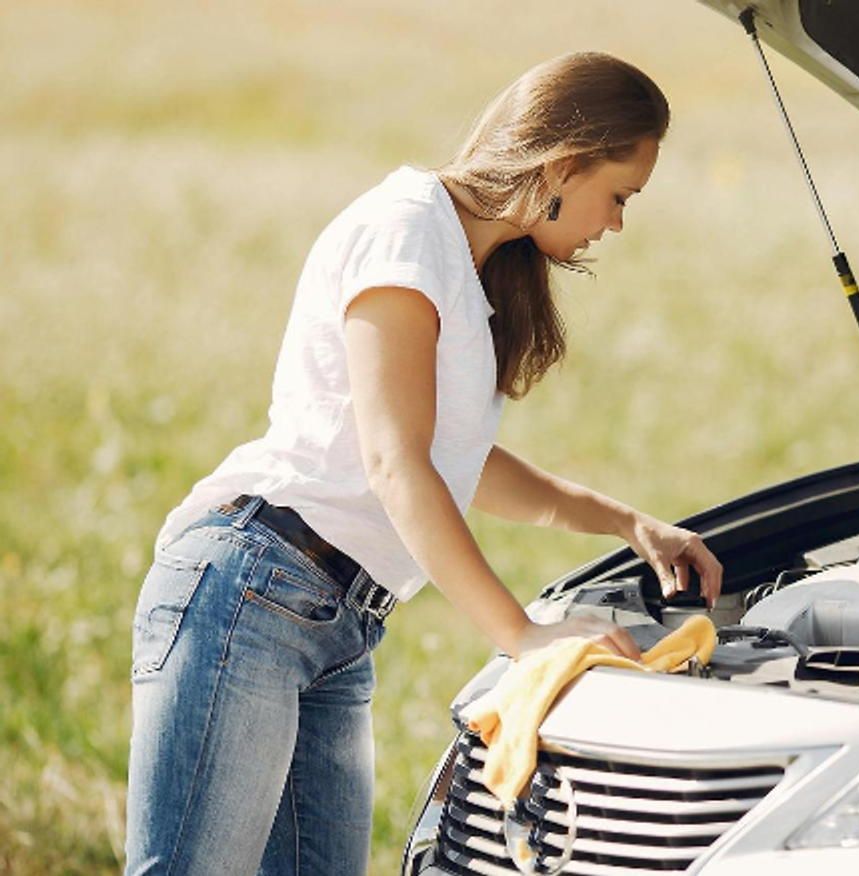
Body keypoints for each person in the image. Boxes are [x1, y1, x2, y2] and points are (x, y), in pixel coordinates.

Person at [124, 52, 723, 876]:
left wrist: (629, 523)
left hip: (336, 626)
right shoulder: (405, 230)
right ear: (564, 163)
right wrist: (522, 636)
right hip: (251, 594)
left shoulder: (471, 267)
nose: (616, 224)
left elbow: (458, 461)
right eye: (619, 196)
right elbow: (396, 464)